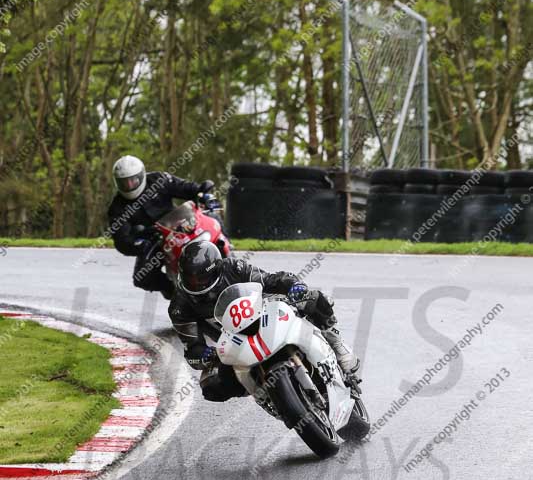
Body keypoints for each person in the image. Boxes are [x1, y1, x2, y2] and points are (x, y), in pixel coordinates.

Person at [168, 240, 362, 403]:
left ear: (216, 269)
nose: (196, 283)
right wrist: (206, 355)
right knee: (211, 387)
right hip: (230, 344)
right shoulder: (179, 305)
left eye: (200, 277)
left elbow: (270, 279)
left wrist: (293, 286)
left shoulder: (234, 267)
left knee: (313, 298)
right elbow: (192, 348)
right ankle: (265, 394)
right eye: (190, 279)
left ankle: (336, 343)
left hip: (265, 312)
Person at [108, 155, 216, 300]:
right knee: (142, 277)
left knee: (212, 217)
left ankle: (228, 250)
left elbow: (183, 187)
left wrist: (200, 191)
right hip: (153, 241)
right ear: (117, 183)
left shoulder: (158, 180)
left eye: (133, 180)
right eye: (124, 183)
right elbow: (122, 240)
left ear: (141, 175)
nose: (129, 185)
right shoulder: (117, 208)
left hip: (180, 224)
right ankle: (174, 292)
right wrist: (139, 243)